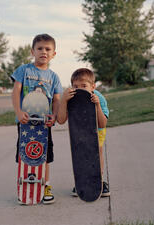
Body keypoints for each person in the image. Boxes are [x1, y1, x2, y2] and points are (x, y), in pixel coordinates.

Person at [11, 34, 63, 204]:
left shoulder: (54, 77)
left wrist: (54, 116)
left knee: (45, 155)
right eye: (40, 48)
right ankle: (25, 184)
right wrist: (18, 112)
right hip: (25, 122)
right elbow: (16, 91)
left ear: (54, 54)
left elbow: (56, 100)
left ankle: (45, 184)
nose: (43, 52)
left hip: (43, 124)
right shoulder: (24, 70)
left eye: (48, 49)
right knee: (25, 153)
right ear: (32, 51)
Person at [57, 68, 110, 197]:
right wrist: (63, 100)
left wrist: (97, 105)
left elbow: (103, 124)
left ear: (93, 86)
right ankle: (81, 182)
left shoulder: (99, 98)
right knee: (80, 156)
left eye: (84, 86)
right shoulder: (70, 98)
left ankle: (99, 181)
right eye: (75, 86)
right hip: (78, 132)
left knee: (96, 153)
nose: (79, 89)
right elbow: (61, 120)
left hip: (96, 131)